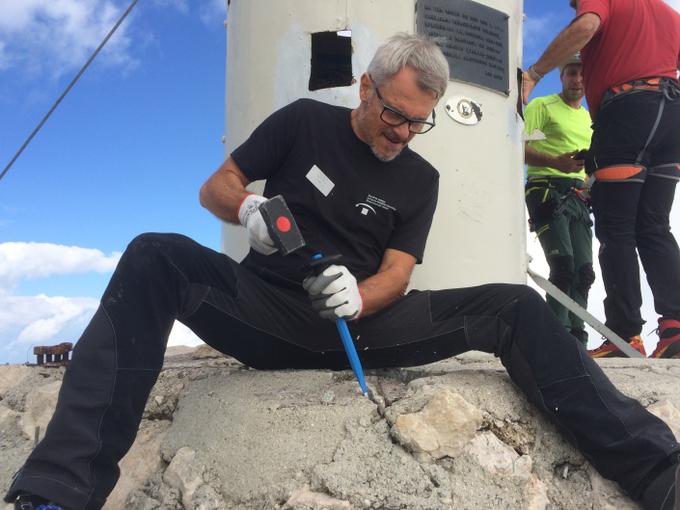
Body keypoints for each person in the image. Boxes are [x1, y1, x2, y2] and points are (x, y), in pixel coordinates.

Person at [6, 33, 679, 510]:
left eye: (419, 124)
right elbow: (217, 184)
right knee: (154, 253)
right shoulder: (302, 123)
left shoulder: (421, 177)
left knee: (514, 305)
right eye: (393, 116)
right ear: (366, 87)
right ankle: (59, 491)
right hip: (264, 314)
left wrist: (359, 298)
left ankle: (658, 473)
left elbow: (399, 271)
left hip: (365, 324)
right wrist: (247, 209)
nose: (402, 135)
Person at [522, 0, 680, 360]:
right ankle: (675, 329)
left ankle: (626, 336)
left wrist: (534, 72)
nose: (574, 4)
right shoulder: (670, 15)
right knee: (655, 226)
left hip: (627, 109)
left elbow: (586, 25)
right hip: (672, 115)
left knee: (617, 229)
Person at [524, 53, 594, 346]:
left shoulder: (588, 118)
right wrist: (556, 162)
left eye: (582, 74)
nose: (577, 80)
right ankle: (554, 338)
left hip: (578, 196)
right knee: (563, 267)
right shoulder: (543, 106)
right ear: (562, 76)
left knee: (584, 273)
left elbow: (589, 165)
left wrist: (590, 185)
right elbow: (517, 145)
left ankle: (577, 338)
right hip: (546, 189)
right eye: (571, 74)